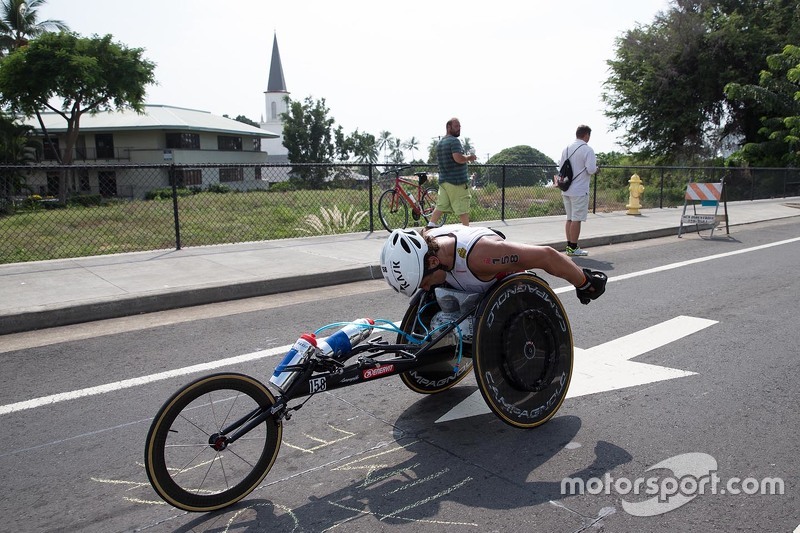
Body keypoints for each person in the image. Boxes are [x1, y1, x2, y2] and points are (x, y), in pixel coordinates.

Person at [380, 226, 606, 304]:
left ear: (432, 261)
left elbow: (546, 256)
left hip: (511, 295)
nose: (426, 288)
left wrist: (584, 282)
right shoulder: (427, 239)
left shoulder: (482, 257)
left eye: (425, 282)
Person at [427, 117, 477, 228]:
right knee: (462, 208)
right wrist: (470, 157)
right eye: (456, 126)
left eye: (459, 126)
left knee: (441, 206)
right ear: (448, 127)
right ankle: (467, 233)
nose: (459, 128)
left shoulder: (440, 143)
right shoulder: (454, 141)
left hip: (444, 182)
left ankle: (430, 226)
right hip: (456, 182)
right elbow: (458, 158)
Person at [557, 125, 598, 257]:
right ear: (586, 135)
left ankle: (569, 245)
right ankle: (574, 248)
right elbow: (591, 169)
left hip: (566, 188)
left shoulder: (567, 148)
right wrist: (597, 169)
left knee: (569, 218)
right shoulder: (587, 150)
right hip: (579, 190)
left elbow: (561, 166)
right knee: (577, 219)